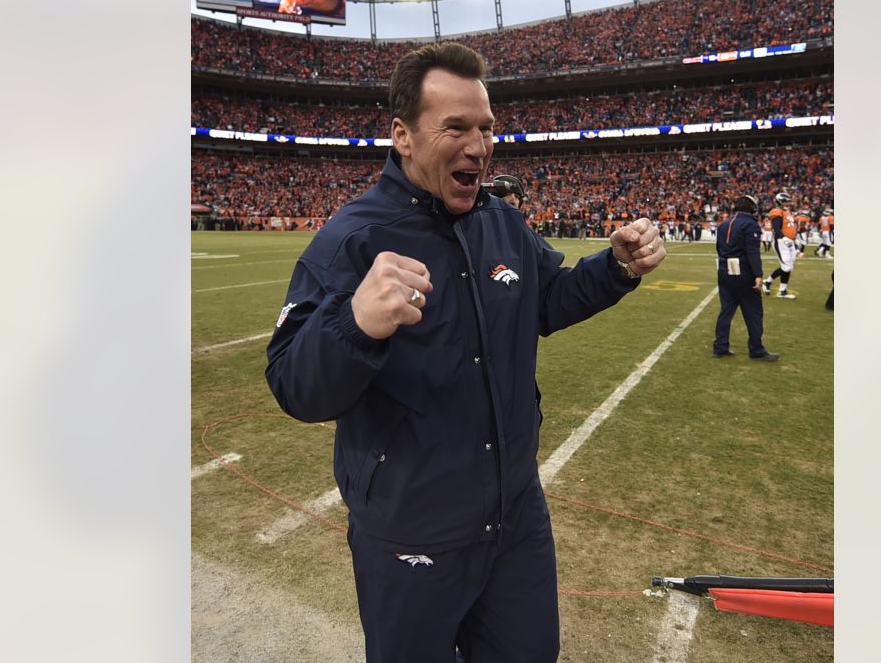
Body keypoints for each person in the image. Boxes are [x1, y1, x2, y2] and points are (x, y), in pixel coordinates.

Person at [264, 42, 666, 663]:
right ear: (402, 135)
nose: (478, 145)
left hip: (514, 518)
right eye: (455, 127)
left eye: (486, 128)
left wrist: (614, 268)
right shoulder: (352, 240)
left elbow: (548, 300)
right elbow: (293, 384)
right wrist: (355, 324)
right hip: (410, 530)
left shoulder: (501, 222)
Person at [713, 195, 780, 361]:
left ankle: (720, 347)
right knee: (754, 312)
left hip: (724, 270)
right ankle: (756, 349)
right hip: (743, 272)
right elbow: (752, 252)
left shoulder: (724, 224)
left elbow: (719, 249)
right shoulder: (751, 225)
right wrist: (758, 274)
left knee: (726, 311)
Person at [763, 192, 799, 299]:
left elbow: (789, 227)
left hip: (790, 242)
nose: (788, 203)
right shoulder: (776, 211)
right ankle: (770, 283)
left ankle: (781, 290)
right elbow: (777, 228)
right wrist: (784, 238)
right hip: (781, 242)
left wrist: (794, 238)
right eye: (785, 201)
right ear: (779, 202)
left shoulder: (787, 212)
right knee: (786, 266)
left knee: (789, 267)